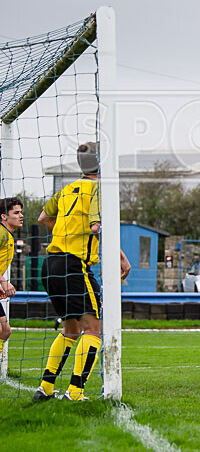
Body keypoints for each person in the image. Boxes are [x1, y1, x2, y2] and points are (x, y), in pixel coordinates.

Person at [32, 142, 131, 402]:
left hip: (51, 264)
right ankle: (75, 392)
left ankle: (46, 387)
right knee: (94, 328)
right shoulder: (98, 189)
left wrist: (66, 234)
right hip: (74, 266)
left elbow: (43, 218)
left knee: (71, 329)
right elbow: (97, 227)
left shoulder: (67, 189)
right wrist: (120, 255)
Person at [0, 197, 24, 358]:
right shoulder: (1, 233)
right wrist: (3, 282)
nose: (21, 216)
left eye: (21, 212)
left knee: (5, 331)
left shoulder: (8, 235)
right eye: (16, 213)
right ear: (4, 216)